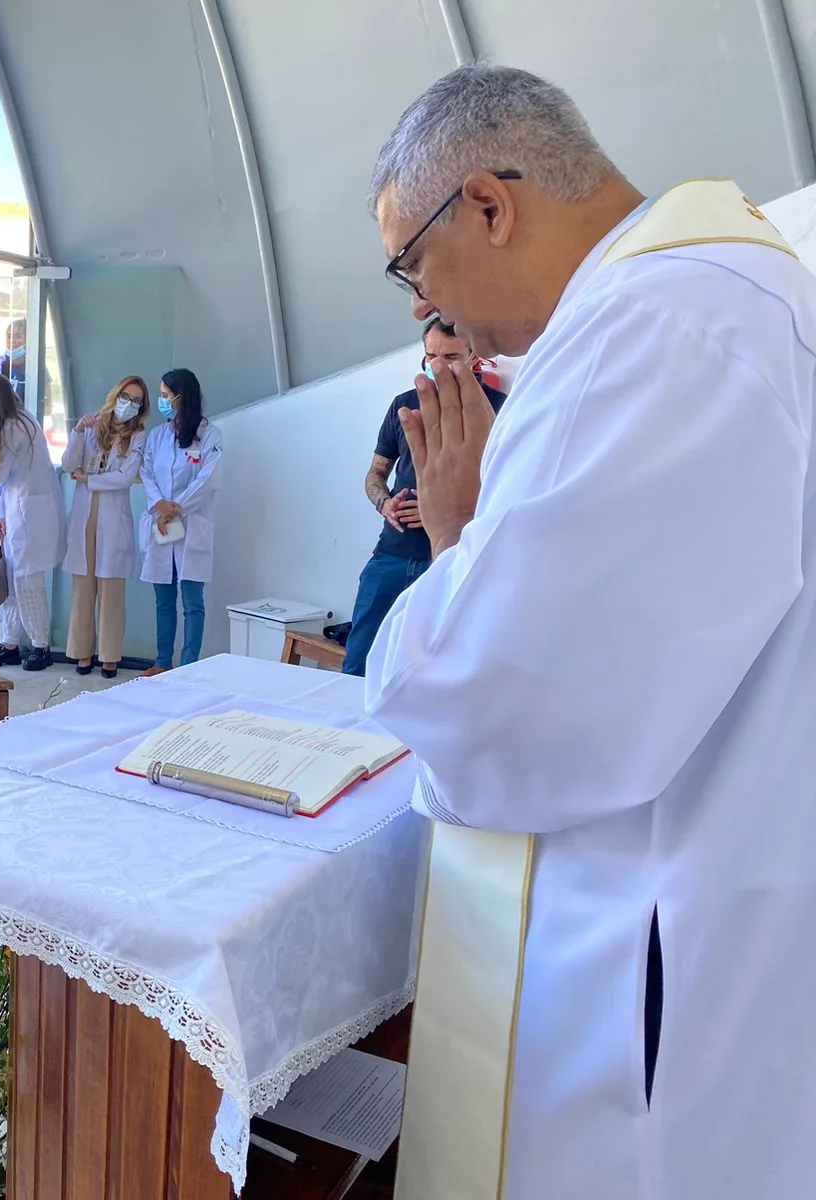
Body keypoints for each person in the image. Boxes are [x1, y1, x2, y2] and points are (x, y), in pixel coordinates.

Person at [364, 65, 816, 1200]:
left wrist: (453, 551)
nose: (426, 310)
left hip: (659, 925)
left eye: (412, 266)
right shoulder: (710, 299)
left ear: (488, 205)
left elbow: (500, 693)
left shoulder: (657, 328)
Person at [341, 316, 505, 676]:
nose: (437, 366)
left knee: (435, 673)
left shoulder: (500, 408)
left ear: (473, 355)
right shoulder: (403, 403)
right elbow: (375, 474)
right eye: (430, 355)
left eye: (450, 357)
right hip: (392, 554)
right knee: (357, 666)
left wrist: (447, 510)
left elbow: (510, 488)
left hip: (454, 560)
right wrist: (385, 503)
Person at [0, 365, 64, 671]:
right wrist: (0, 511)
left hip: (31, 514)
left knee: (27, 581)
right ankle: (10, 644)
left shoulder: (13, 427)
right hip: (21, 510)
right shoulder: (19, 421)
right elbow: (5, 481)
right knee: (16, 582)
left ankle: (40, 646)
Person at [62, 377, 147, 677]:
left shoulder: (138, 437)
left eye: (136, 400)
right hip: (85, 514)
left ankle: (110, 657)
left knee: (111, 591)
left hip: (112, 517)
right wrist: (77, 431)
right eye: (126, 396)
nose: (129, 404)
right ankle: (82, 653)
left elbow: (125, 477)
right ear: (115, 395)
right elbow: (69, 463)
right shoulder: (92, 427)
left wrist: (90, 479)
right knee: (82, 588)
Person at [139, 368, 220, 675]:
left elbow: (207, 479)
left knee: (192, 601)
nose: (161, 401)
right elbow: (146, 473)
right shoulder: (157, 436)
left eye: (164, 395)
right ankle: (162, 661)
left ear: (181, 398)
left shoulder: (210, 435)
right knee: (163, 598)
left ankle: (188, 666)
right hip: (162, 524)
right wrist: (160, 506)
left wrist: (177, 508)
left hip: (191, 525)